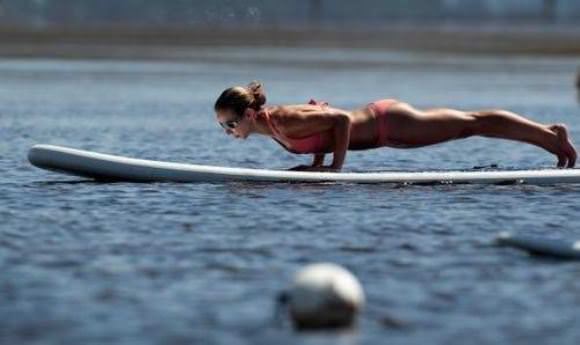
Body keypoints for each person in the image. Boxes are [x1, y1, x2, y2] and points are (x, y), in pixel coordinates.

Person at [214, 81, 576, 172]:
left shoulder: (281, 120)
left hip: (388, 122)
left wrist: (336, 169)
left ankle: (549, 136)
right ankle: (547, 135)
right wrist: (317, 167)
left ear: (247, 115)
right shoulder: (272, 128)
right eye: (222, 127)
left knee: (472, 124)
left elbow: (339, 119)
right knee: (470, 125)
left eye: (229, 123)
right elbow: (321, 128)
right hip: (386, 133)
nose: (228, 131)